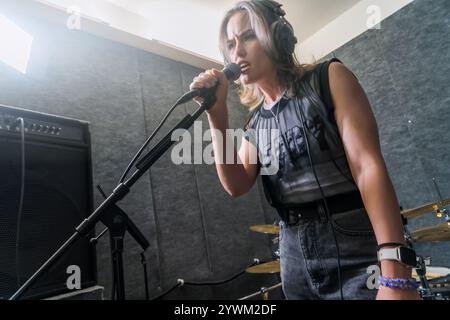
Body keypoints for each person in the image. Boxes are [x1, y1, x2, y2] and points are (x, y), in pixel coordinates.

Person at [189, 0, 421, 300]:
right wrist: (217, 116)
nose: (237, 52)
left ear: (279, 35)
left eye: (247, 36)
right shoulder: (255, 124)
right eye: (231, 44)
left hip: (354, 240)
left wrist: (395, 275)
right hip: (293, 252)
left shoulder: (329, 78)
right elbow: (236, 184)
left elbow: (367, 168)